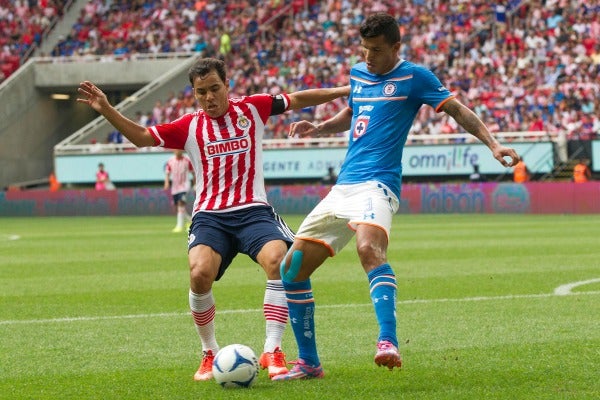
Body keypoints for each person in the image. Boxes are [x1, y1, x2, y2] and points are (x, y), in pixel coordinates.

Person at [273, 13, 520, 381]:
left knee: (368, 249)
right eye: (364, 49)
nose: (368, 57)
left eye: (376, 50)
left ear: (395, 47)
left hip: (379, 184)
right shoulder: (358, 73)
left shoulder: (415, 77)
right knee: (291, 270)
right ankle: (309, 363)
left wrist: (494, 143)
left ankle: (387, 341)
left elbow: (457, 110)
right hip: (344, 186)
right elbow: (355, 108)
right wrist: (322, 126)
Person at [77, 57, 349, 382]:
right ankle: (209, 352)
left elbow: (298, 98)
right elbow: (140, 137)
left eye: (214, 89)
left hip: (253, 211)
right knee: (199, 273)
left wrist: (344, 89)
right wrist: (106, 108)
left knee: (279, 261)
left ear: (227, 85)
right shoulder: (188, 126)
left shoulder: (252, 109)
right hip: (210, 216)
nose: (209, 98)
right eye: (201, 92)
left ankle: (272, 349)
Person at [164, 150, 195, 233]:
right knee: (179, 207)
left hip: (185, 186)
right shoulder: (170, 161)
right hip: (175, 187)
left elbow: (193, 173)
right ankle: (190, 221)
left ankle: (179, 226)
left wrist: (195, 185)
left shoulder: (187, 160)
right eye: (176, 149)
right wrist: (166, 182)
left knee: (181, 203)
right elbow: (167, 173)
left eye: (179, 149)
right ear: (173, 151)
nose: (178, 151)